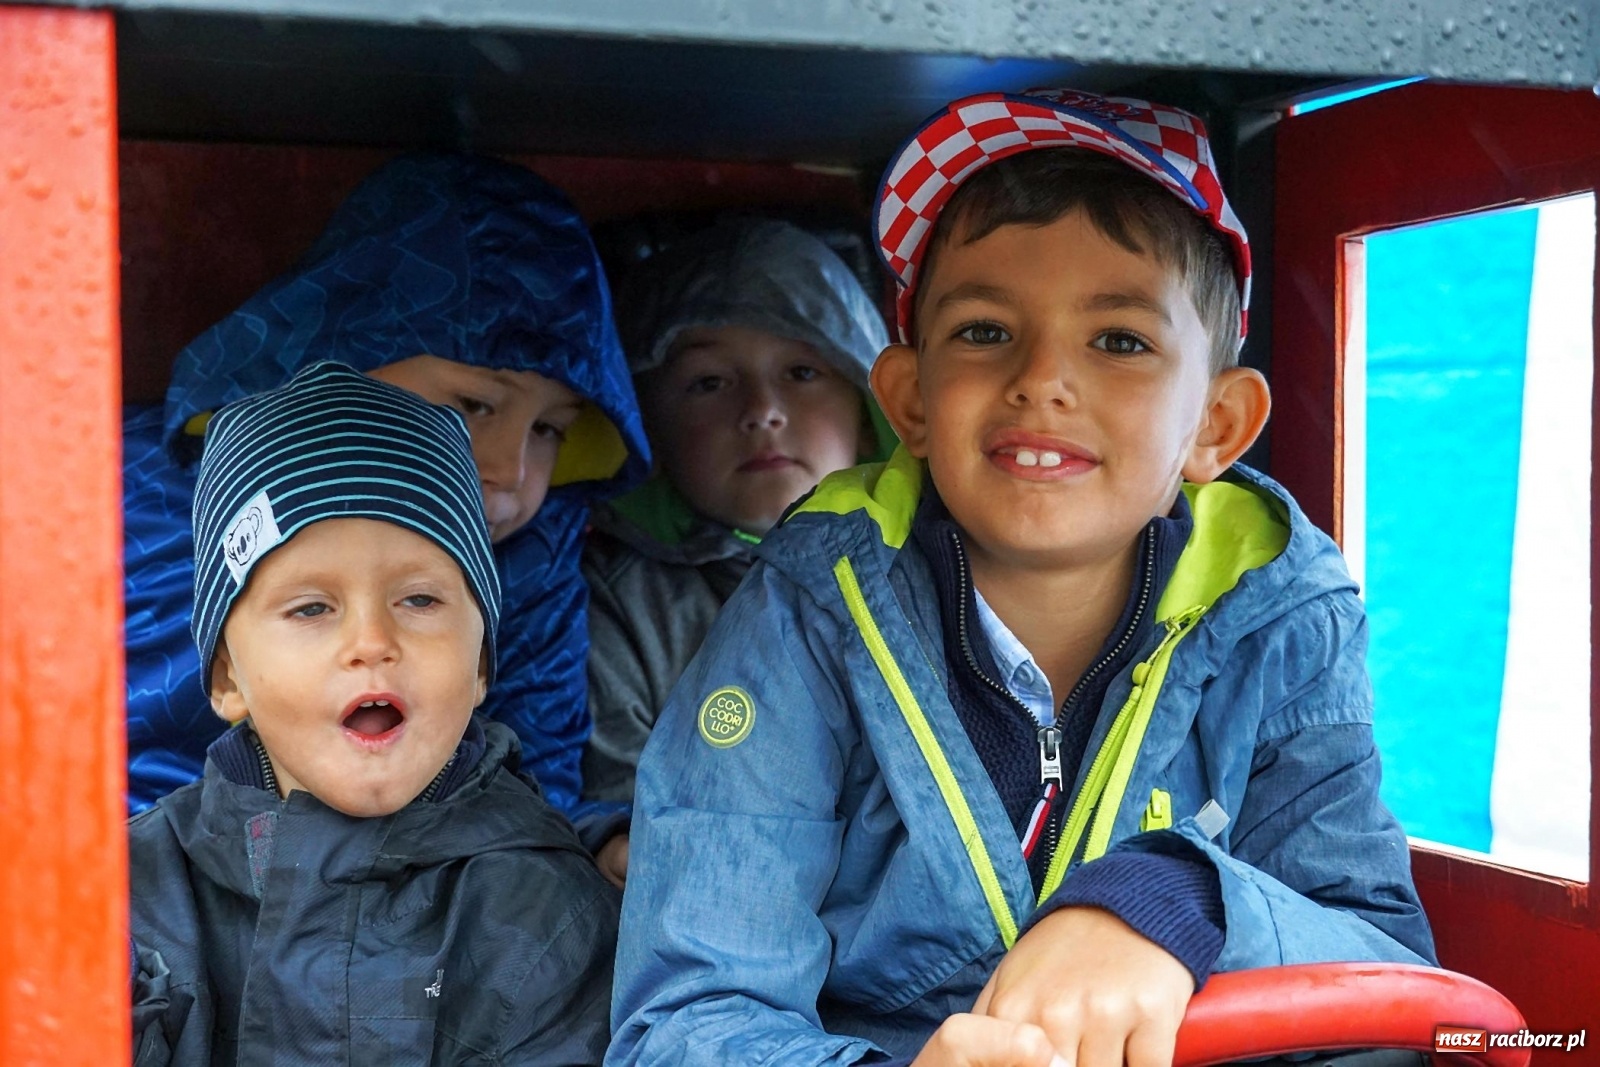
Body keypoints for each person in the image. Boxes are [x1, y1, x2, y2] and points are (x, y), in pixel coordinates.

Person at [608, 89, 1436, 1067]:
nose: (1042, 377)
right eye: (985, 331)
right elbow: (684, 1017)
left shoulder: (1284, 619)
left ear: (1215, 424)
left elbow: (1393, 989)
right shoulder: (805, 611)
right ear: (909, 401)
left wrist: (1180, 901)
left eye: (1119, 339)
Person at [122, 154, 650, 842]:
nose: (510, 472)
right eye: (471, 406)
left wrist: (593, 844)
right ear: (339, 351)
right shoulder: (113, 488)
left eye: (549, 428)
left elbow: (528, 798)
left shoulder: (529, 553)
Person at [129, 362, 618, 1066]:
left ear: (481, 664)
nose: (372, 644)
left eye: (418, 600)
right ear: (229, 677)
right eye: (312, 607)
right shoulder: (131, 889)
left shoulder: (543, 910)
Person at [581, 219, 893, 839]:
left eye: (802, 372)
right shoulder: (617, 602)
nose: (761, 411)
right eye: (709, 383)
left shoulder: (936, 570)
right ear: (651, 432)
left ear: (870, 411)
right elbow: (616, 803)